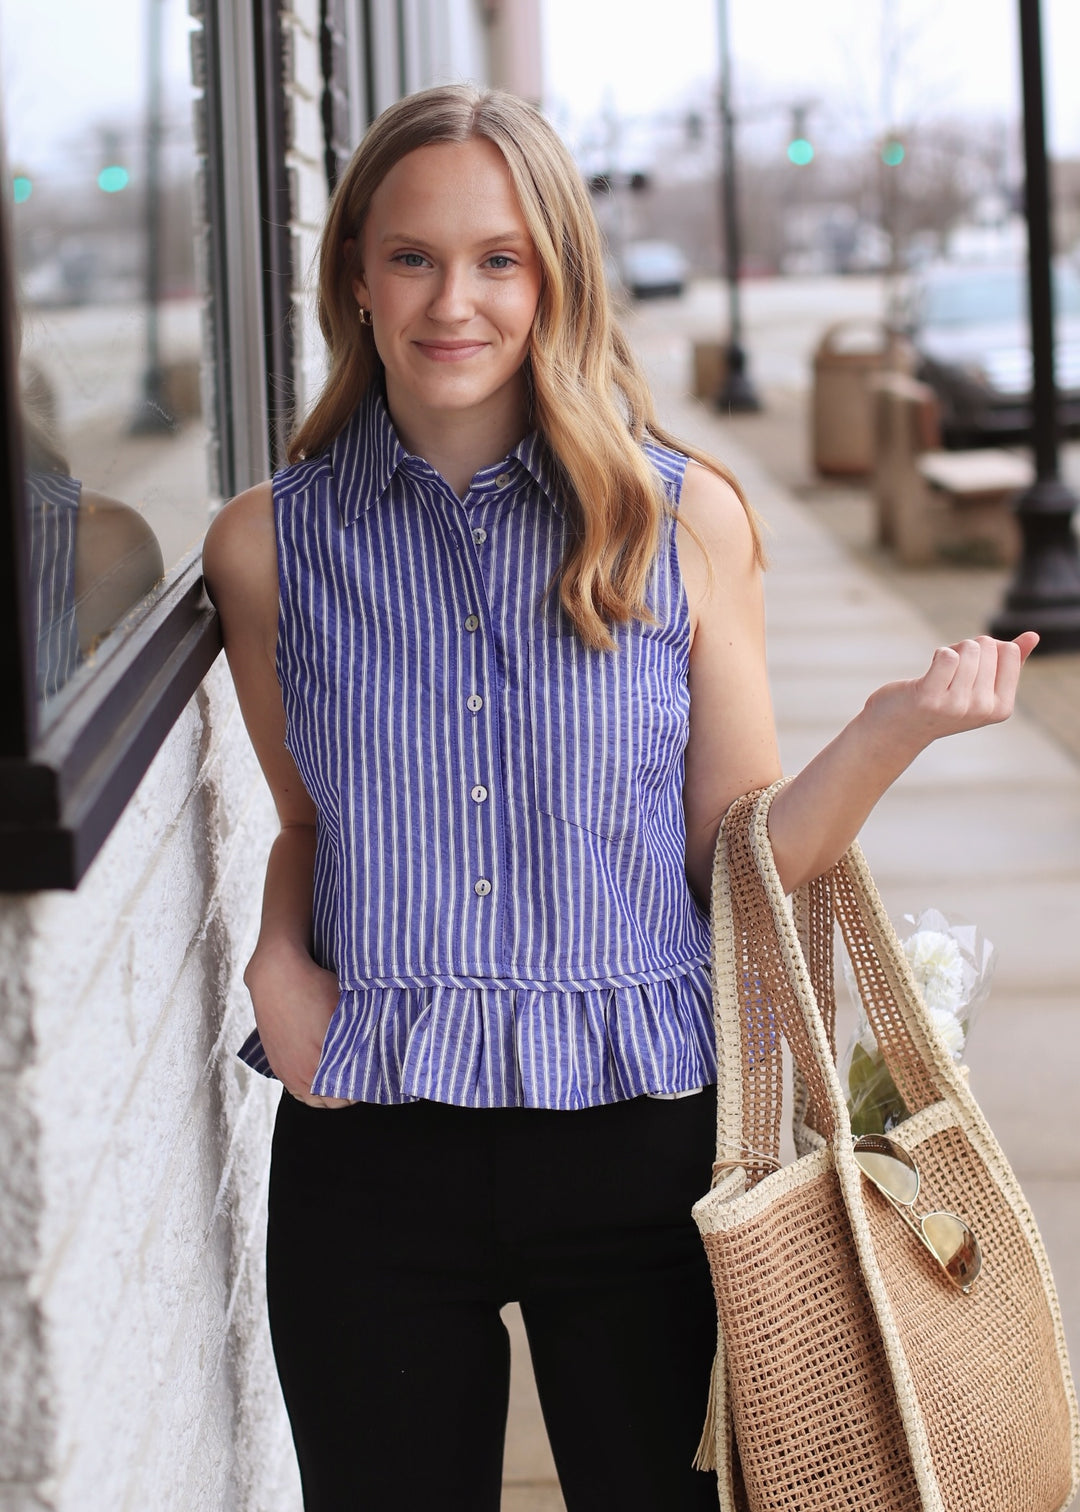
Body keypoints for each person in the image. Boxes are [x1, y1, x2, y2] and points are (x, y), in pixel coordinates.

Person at [202, 83, 1037, 1512]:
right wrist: (277, 960)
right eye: (412, 256)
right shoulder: (267, 548)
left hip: (645, 1150)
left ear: (557, 278)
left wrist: (890, 733)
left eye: (498, 259)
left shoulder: (680, 519)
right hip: (368, 1145)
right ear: (355, 273)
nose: (452, 299)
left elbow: (742, 862)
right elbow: (300, 819)